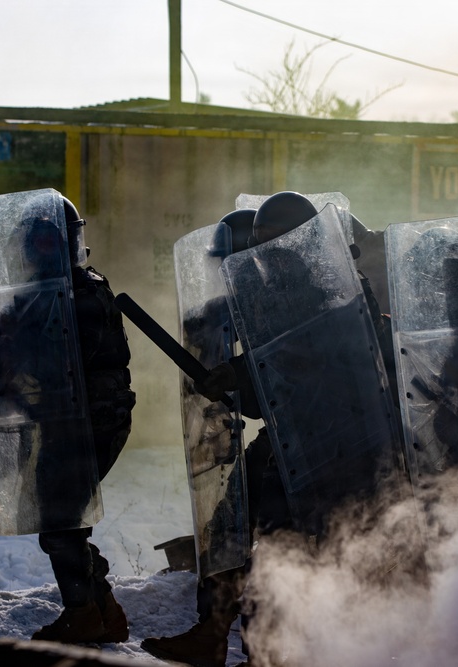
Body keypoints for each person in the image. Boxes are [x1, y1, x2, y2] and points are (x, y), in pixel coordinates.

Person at [143, 192, 401, 667]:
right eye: (263, 253)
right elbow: (277, 387)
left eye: (276, 252)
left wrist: (239, 374)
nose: (267, 264)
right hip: (291, 439)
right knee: (231, 523)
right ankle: (213, 632)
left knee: (284, 555)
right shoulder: (280, 295)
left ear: (301, 248)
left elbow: (311, 355)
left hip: (336, 448)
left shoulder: (338, 290)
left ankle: (270, 654)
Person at [0, 193, 136, 644]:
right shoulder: (37, 295)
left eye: (49, 242)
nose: (41, 251)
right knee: (61, 518)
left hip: (94, 420)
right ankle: (101, 607)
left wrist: (20, 346)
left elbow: (66, 356)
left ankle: (84, 613)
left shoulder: (86, 293)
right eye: (33, 244)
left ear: (67, 243)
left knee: (59, 518)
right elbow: (0, 359)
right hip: (62, 420)